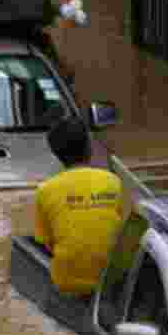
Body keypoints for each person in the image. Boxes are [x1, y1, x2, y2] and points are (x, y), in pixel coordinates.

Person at [34, 117, 124, 297]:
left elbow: (47, 242)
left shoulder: (45, 191)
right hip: (111, 280)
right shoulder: (112, 182)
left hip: (67, 283)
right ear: (89, 148)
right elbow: (120, 231)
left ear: (56, 154)